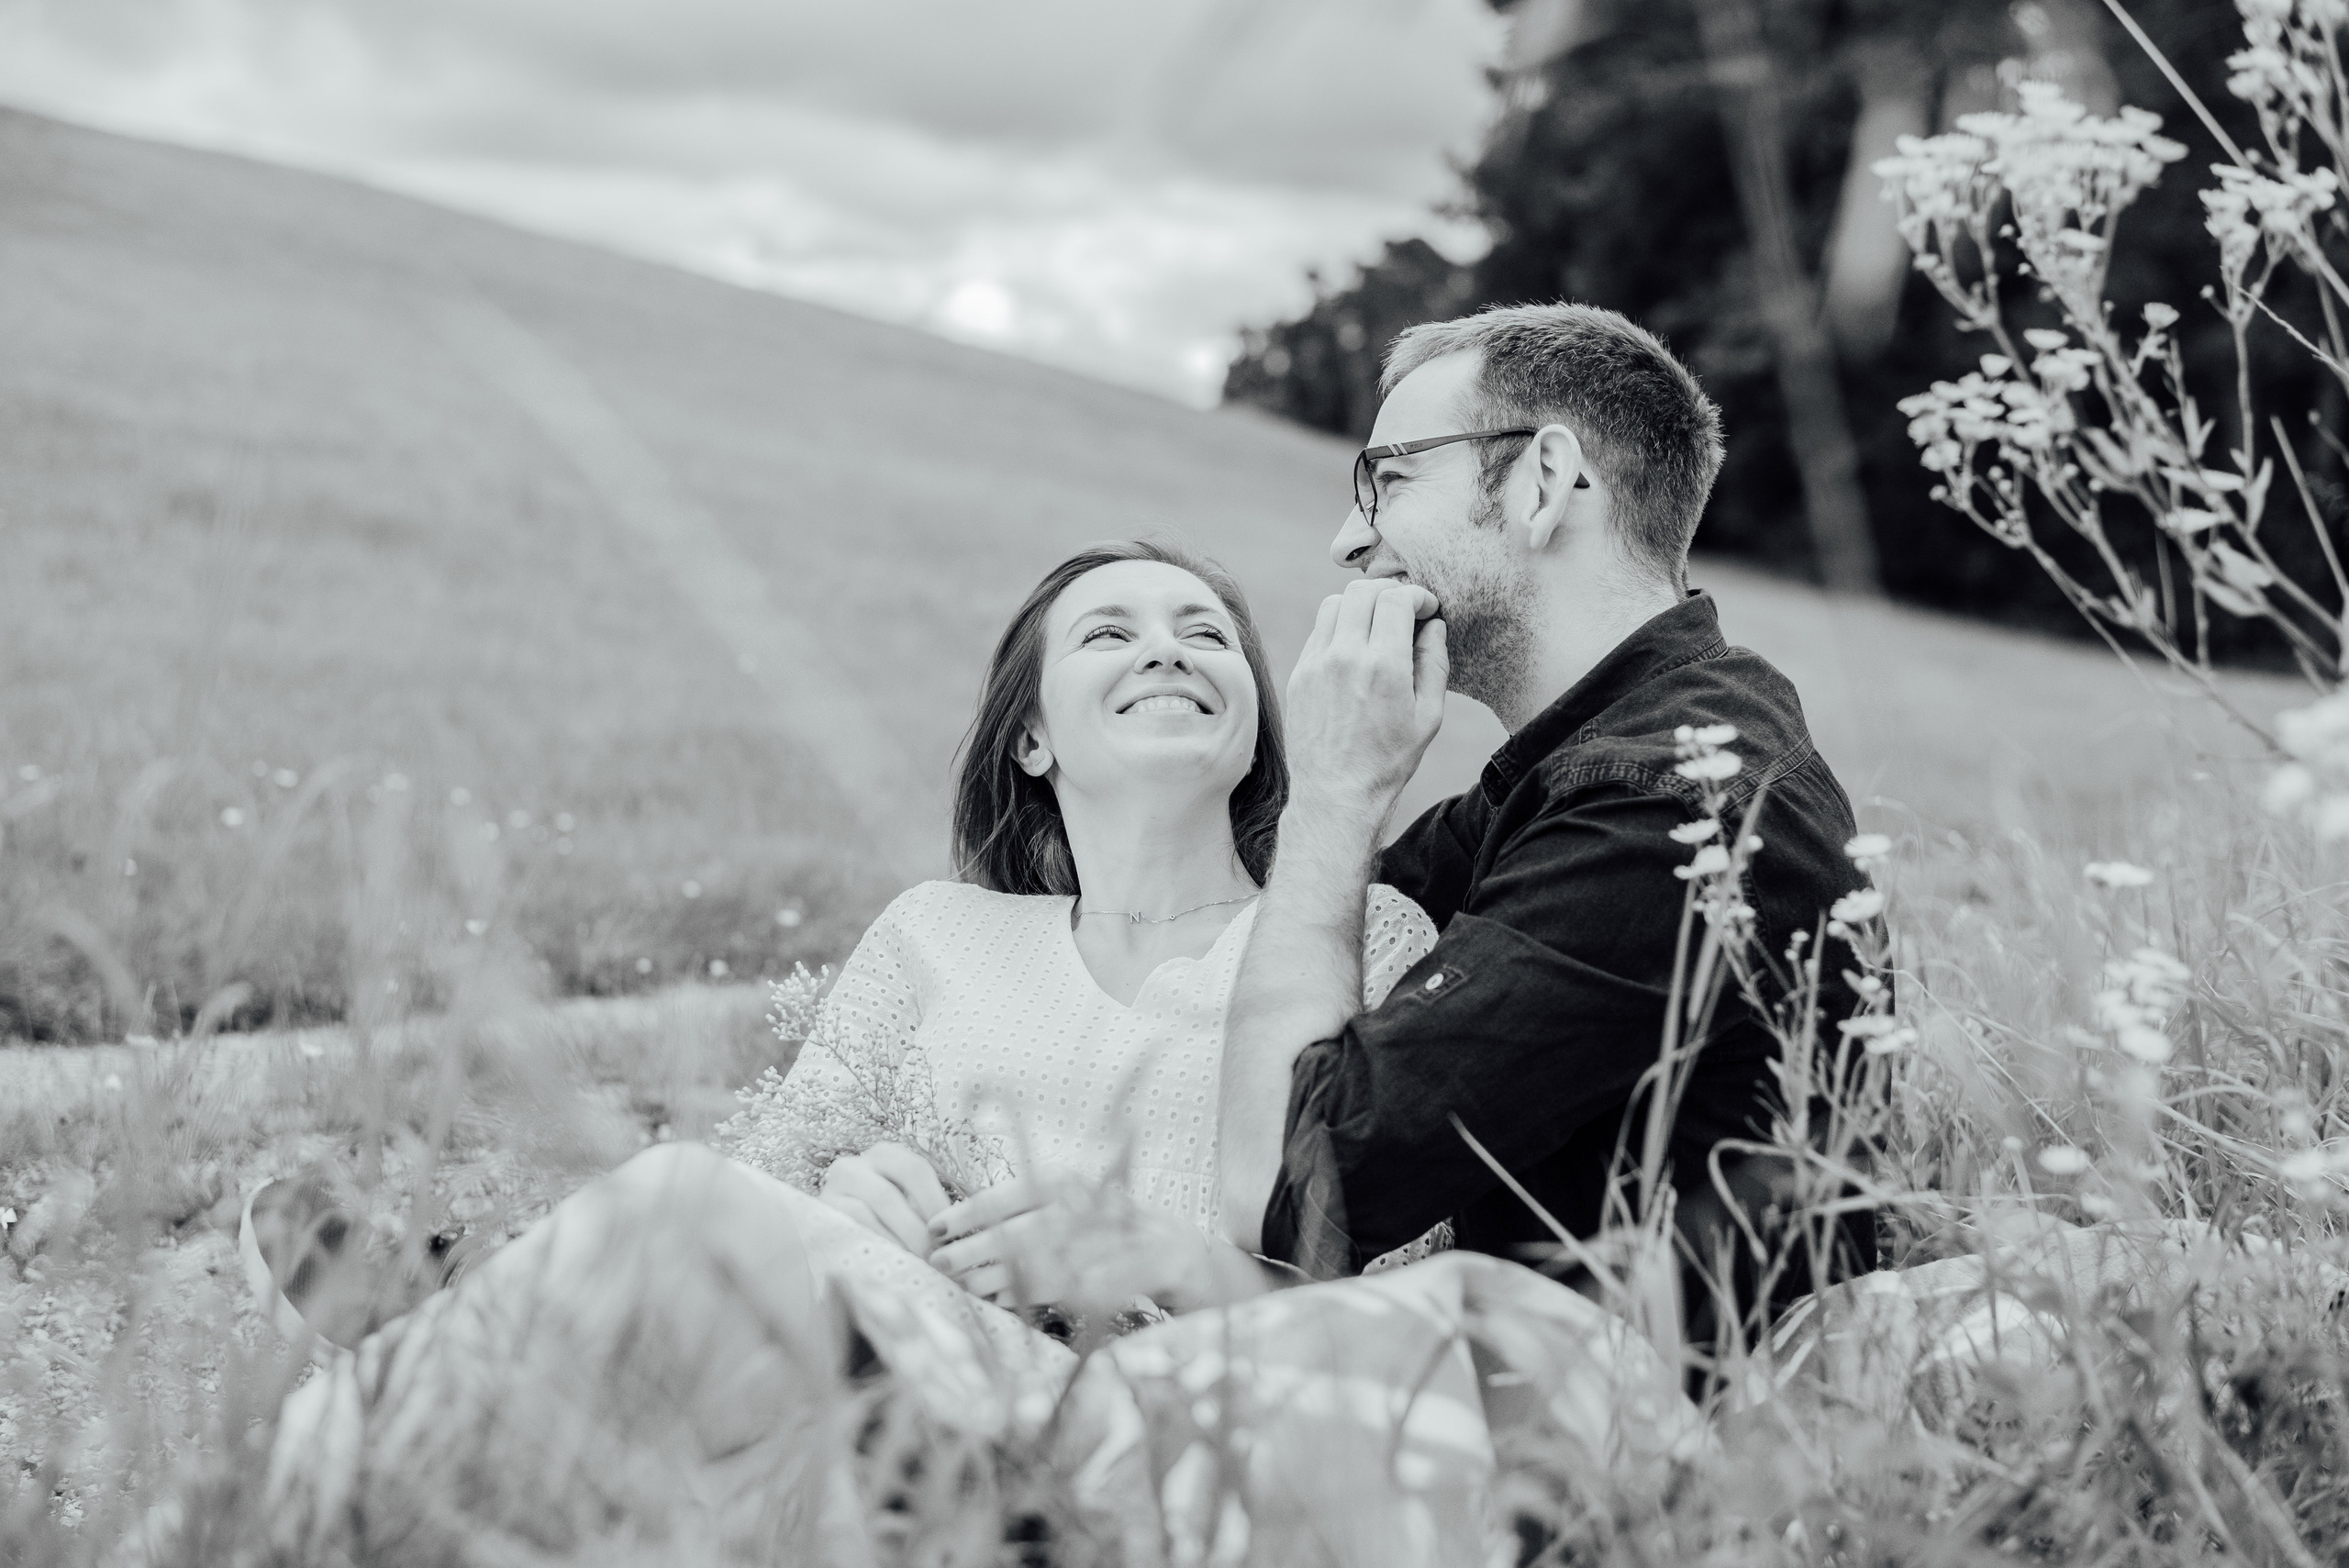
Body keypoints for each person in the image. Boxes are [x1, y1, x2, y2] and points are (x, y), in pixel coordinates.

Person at [246, 540, 1705, 1565]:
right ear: (1031, 741)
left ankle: (441, 1333)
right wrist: (844, 1195)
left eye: (1207, 635)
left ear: (1263, 727)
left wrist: (1146, 1256)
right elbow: (782, 1155)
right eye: (1113, 633)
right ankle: (450, 1367)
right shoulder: (936, 934)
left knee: (679, 1220)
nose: (1170, 650)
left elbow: (1373, 1286)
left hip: (1139, 1411)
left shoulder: (1356, 931)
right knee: (710, 1219)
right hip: (890, 1372)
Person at [1215, 303, 1880, 1356]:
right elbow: (1278, 925)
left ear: (1542, 482)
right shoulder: (1616, 744)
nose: (1348, 539)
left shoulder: (1662, 808)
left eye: (1389, 480)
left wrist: (1337, 792)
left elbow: (1293, 1202)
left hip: (1652, 1464)